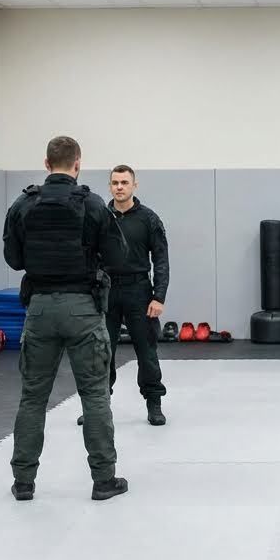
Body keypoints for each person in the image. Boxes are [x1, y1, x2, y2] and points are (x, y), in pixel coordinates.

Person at [3, 136, 127, 502]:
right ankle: (103, 480)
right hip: (83, 309)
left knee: (32, 398)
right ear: (77, 164)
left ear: (46, 164)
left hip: (39, 309)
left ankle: (23, 481)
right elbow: (118, 256)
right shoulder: (92, 204)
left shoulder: (23, 204)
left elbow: (14, 259)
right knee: (95, 395)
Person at [78, 165, 170, 427]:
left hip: (139, 291)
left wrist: (159, 296)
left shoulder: (149, 219)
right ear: (110, 186)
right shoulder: (100, 218)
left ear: (134, 186)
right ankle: (97, 407)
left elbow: (161, 260)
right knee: (101, 352)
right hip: (106, 291)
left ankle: (154, 404)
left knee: (146, 351)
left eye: (124, 182)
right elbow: (88, 256)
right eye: (115, 183)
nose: (119, 187)